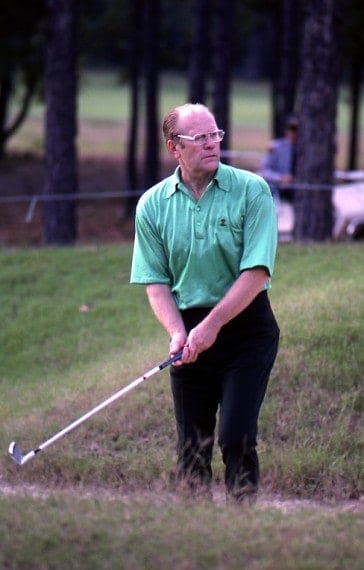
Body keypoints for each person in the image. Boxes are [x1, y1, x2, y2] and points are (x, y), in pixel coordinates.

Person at [130, 103, 280, 503]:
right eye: (200, 138)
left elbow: (257, 272)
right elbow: (155, 281)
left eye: (215, 134)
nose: (212, 143)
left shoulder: (252, 190)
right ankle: (196, 537)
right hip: (188, 335)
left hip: (246, 329)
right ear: (173, 148)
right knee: (191, 446)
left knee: (235, 437)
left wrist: (212, 325)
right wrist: (177, 331)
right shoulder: (152, 205)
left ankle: (241, 530)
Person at [258, 115, 299, 203]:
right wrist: (280, 178)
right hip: (279, 190)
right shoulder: (276, 147)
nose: (294, 133)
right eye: (291, 130)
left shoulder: (307, 150)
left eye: (296, 130)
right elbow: (265, 170)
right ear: (286, 131)